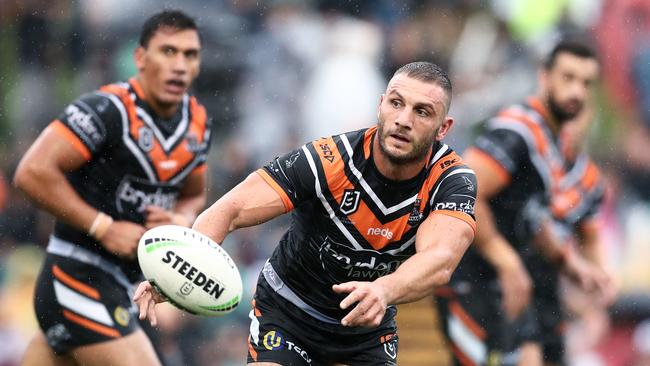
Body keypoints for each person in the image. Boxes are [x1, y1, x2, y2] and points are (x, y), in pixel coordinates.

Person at [135, 61, 478, 365]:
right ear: (381, 105)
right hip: (288, 313)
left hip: (365, 330)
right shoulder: (329, 159)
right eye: (396, 103)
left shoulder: (452, 180)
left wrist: (384, 290)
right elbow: (230, 209)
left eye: (422, 112)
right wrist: (177, 270)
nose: (403, 120)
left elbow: (441, 259)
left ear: (443, 127)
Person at [13, 10, 211, 366]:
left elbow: (194, 194)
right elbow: (32, 172)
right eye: (168, 51)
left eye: (189, 54)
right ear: (140, 57)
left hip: (127, 286)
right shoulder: (107, 110)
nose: (180, 65)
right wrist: (102, 227)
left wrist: (180, 217)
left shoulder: (196, 123)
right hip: (76, 273)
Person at [434, 39, 609, 366]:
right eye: (568, 78)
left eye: (586, 83)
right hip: (470, 278)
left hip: (507, 282)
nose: (577, 92)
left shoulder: (553, 142)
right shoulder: (519, 131)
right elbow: (464, 190)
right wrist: (507, 261)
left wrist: (574, 267)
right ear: (544, 78)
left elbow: (530, 219)